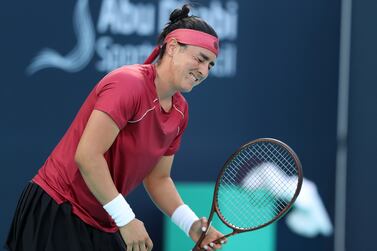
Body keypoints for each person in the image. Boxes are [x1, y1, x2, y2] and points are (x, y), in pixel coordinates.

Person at [5, 4, 226, 251]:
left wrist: (191, 225)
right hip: (58, 207)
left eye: (211, 65)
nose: (204, 71)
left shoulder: (180, 111)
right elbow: (87, 156)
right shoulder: (128, 84)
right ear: (172, 47)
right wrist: (126, 219)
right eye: (200, 59)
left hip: (103, 218)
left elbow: (158, 178)